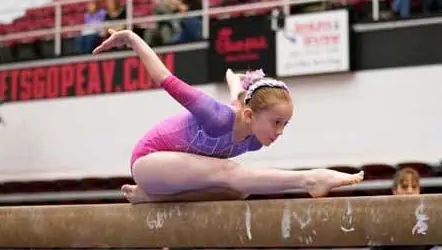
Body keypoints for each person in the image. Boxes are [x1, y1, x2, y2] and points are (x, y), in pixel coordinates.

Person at [93, 29, 363, 204]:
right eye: (276, 122)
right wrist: (131, 38)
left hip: (175, 179)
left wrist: (235, 84)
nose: (280, 131)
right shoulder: (216, 116)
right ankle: (309, 179)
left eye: (285, 124)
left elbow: (238, 100)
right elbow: (164, 77)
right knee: (232, 172)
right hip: (148, 164)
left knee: (239, 190)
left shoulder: (254, 137)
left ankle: (150, 199)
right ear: (249, 114)